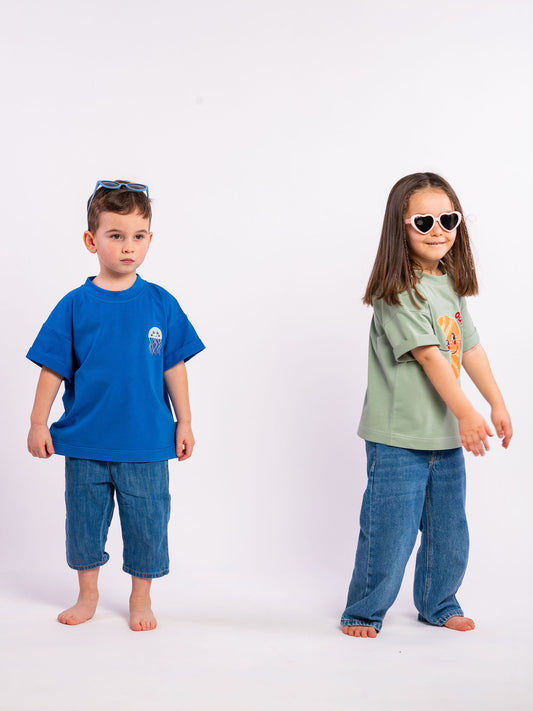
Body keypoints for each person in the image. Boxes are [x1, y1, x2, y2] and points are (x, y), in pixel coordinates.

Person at [27, 180, 205, 632]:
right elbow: (51, 368)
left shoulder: (161, 303)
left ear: (150, 239)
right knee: (84, 526)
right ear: (92, 241)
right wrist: (37, 422)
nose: (128, 246)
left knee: (147, 525)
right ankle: (87, 595)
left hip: (146, 443)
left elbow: (174, 367)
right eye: (116, 235)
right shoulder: (74, 305)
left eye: (138, 236)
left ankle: (140, 598)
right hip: (85, 441)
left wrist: (185, 421)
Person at [341, 172, 512, 638]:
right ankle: (363, 611)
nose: (438, 230)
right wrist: (467, 412)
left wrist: (495, 402)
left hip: (444, 437)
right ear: (400, 227)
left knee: (449, 530)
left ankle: (439, 603)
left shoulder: (448, 284)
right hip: (399, 437)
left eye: (448, 219)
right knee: (389, 530)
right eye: (423, 221)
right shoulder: (396, 290)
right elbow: (431, 356)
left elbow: (469, 348)